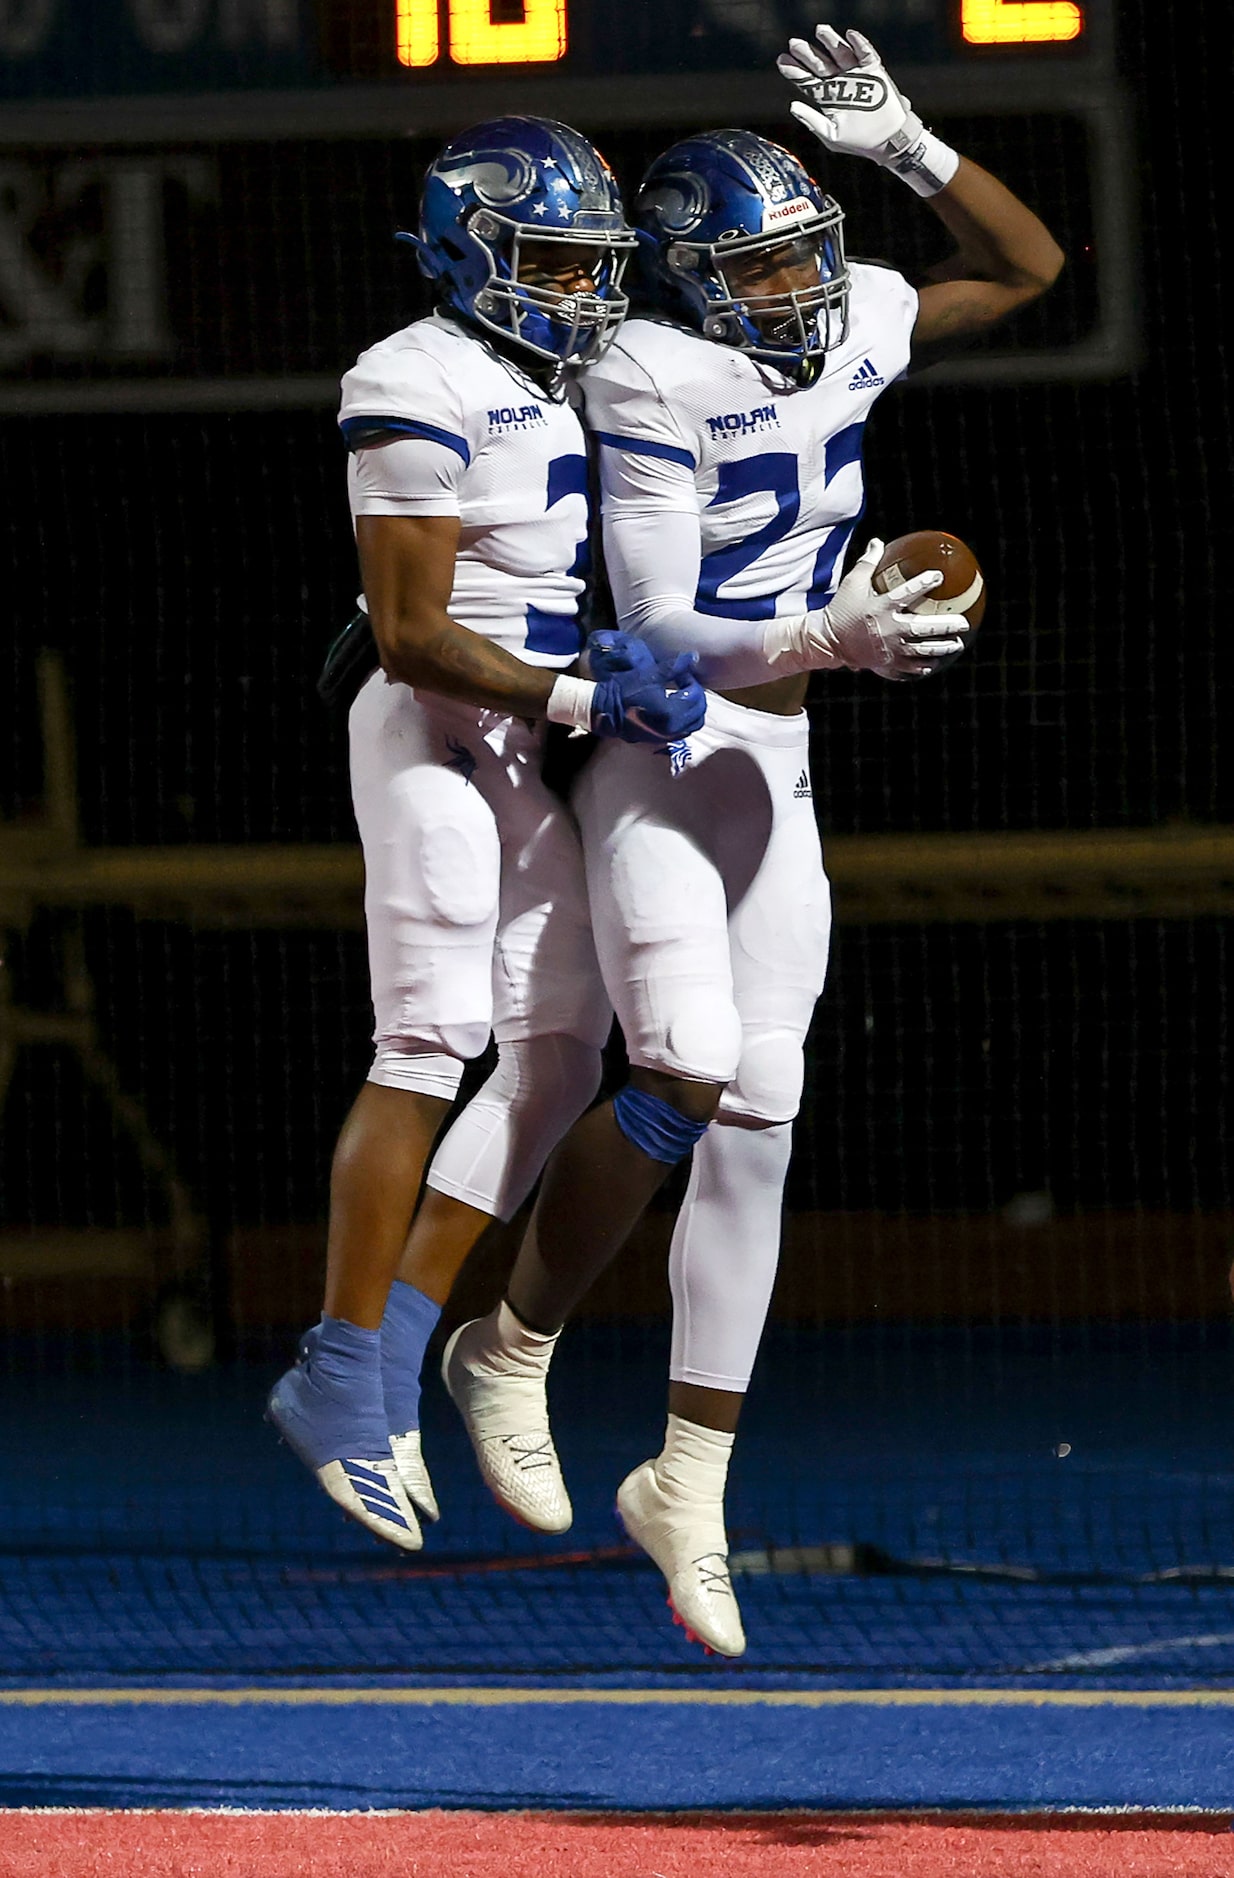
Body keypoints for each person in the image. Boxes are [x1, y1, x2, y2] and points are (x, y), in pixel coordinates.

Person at [439, 30, 1064, 1652]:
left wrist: (910, 148)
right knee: (692, 1058)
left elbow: (1028, 263)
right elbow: (648, 622)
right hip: (661, 747)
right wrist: (823, 639)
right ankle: (509, 1343)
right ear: (690, 284)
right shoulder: (649, 369)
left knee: (766, 1112)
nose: (796, 288)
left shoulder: (858, 310)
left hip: (776, 765)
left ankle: (687, 1477)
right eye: (757, 266)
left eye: (807, 252)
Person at [266, 115, 706, 1551]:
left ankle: (398, 1349)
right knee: (427, 1036)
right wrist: (586, 685)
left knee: (566, 1041)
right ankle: (335, 1371)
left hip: (521, 733)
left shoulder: (560, 380)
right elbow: (407, 633)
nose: (578, 289)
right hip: (429, 730)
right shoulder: (409, 374)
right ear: (463, 246)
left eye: (592, 264)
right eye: (546, 259)